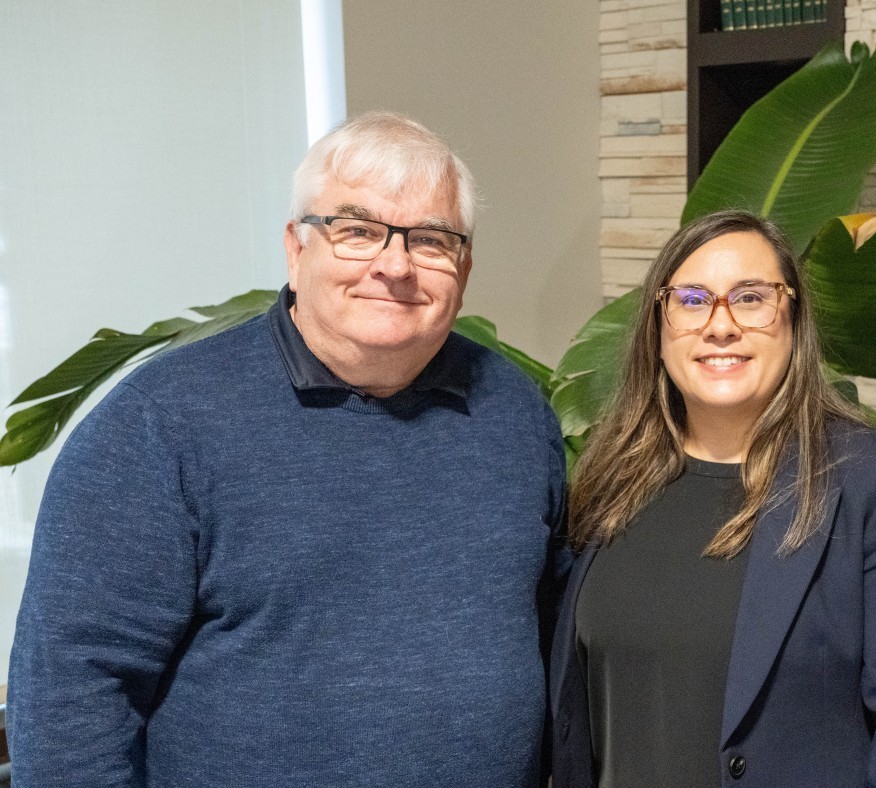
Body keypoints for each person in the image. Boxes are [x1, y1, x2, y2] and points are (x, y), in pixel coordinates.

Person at [6, 112, 567, 787]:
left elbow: (552, 635)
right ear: (297, 251)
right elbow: (71, 693)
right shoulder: (160, 424)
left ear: (464, 266)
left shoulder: (515, 414)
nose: (395, 266)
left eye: (430, 240)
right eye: (357, 231)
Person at [549, 210, 876, 787]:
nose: (720, 326)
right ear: (658, 324)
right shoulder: (610, 479)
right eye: (692, 299)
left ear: (793, 316)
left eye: (750, 298)